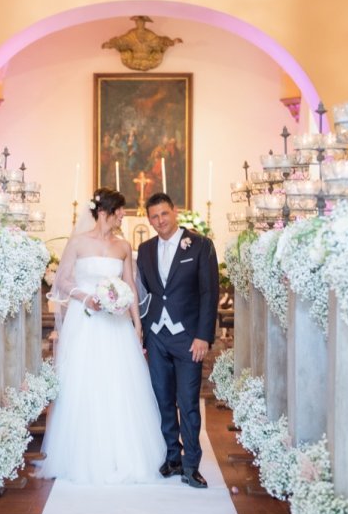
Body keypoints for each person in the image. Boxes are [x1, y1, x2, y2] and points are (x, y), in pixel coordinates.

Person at [37, 188, 166, 485]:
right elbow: (62, 282)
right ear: (105, 211)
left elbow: (130, 286)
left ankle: (126, 455)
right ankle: (81, 456)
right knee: (85, 383)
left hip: (116, 325)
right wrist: (86, 297)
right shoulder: (79, 243)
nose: (124, 215)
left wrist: (136, 324)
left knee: (120, 384)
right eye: (120, 210)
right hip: (86, 323)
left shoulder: (123, 246)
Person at [137, 192, 219, 489]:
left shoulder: (200, 245)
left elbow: (209, 293)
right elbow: (144, 293)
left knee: (188, 403)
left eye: (164, 214)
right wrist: (142, 332)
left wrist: (203, 336)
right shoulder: (144, 250)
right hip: (156, 337)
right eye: (154, 217)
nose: (160, 221)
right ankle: (172, 456)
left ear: (175, 212)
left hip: (188, 338)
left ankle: (191, 465)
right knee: (162, 399)